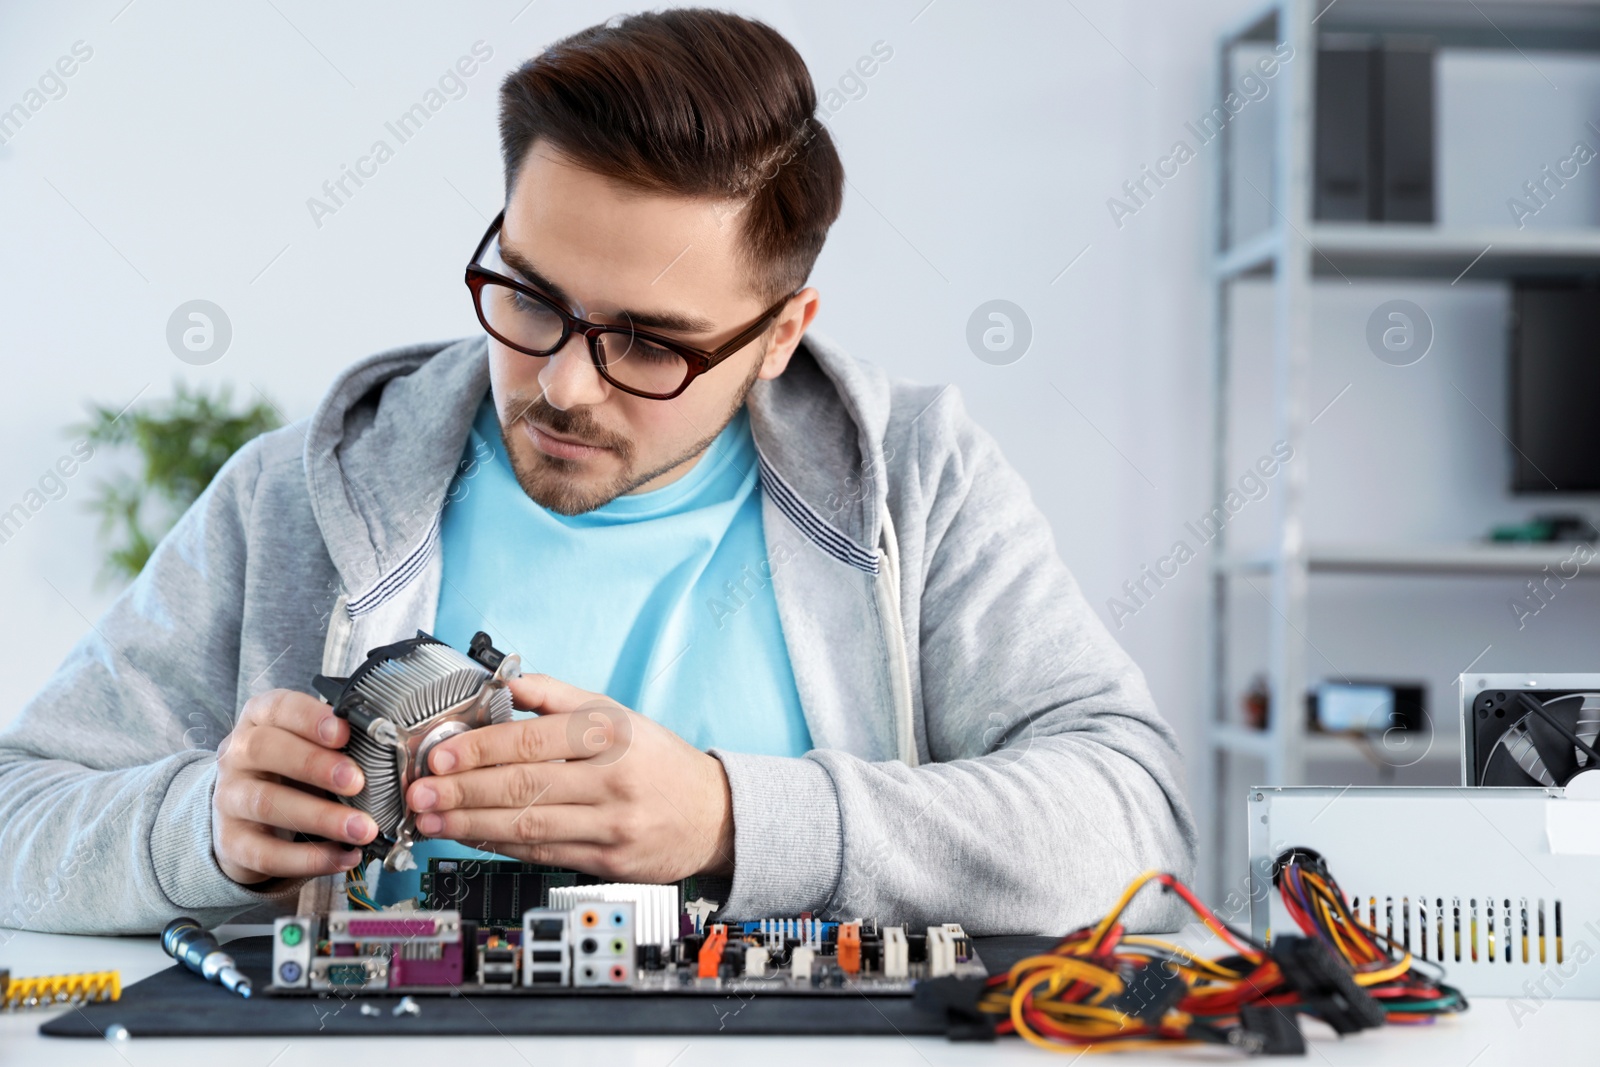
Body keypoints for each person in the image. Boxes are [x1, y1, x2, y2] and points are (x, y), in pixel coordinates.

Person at [0, 8, 1194, 936]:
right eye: (529, 296)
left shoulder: (917, 484)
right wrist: (193, 826)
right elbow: (19, 813)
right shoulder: (291, 498)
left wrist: (732, 821)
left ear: (780, 334)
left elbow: (1134, 828)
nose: (564, 384)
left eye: (648, 341)